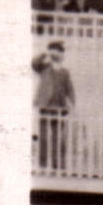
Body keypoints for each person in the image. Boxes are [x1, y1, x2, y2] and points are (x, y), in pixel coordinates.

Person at [33, 40, 75, 170]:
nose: (58, 55)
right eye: (55, 51)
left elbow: (70, 89)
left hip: (60, 108)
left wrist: (72, 103)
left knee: (59, 138)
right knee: (44, 137)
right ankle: (43, 164)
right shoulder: (44, 68)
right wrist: (46, 54)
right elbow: (34, 63)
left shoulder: (65, 72)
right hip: (45, 106)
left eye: (60, 52)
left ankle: (58, 165)